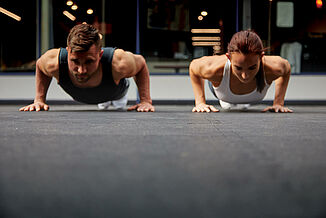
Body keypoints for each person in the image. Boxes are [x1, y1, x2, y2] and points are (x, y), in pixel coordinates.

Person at [19, 23, 154, 112]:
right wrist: (39, 100)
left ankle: (115, 100)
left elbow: (141, 63)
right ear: (68, 51)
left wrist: (145, 101)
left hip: (115, 90)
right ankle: (104, 102)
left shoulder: (119, 62)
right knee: (102, 104)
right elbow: (39, 66)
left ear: (100, 55)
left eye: (89, 62)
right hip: (83, 96)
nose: (81, 70)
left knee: (117, 104)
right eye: (75, 61)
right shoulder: (52, 62)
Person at [189, 30, 293, 113]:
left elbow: (287, 68)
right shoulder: (212, 69)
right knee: (225, 100)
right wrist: (200, 102)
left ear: (261, 57)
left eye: (252, 68)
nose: (245, 76)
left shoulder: (274, 67)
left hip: (250, 96)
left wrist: (278, 103)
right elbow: (193, 66)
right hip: (221, 90)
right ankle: (228, 100)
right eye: (238, 68)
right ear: (229, 58)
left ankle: (235, 101)